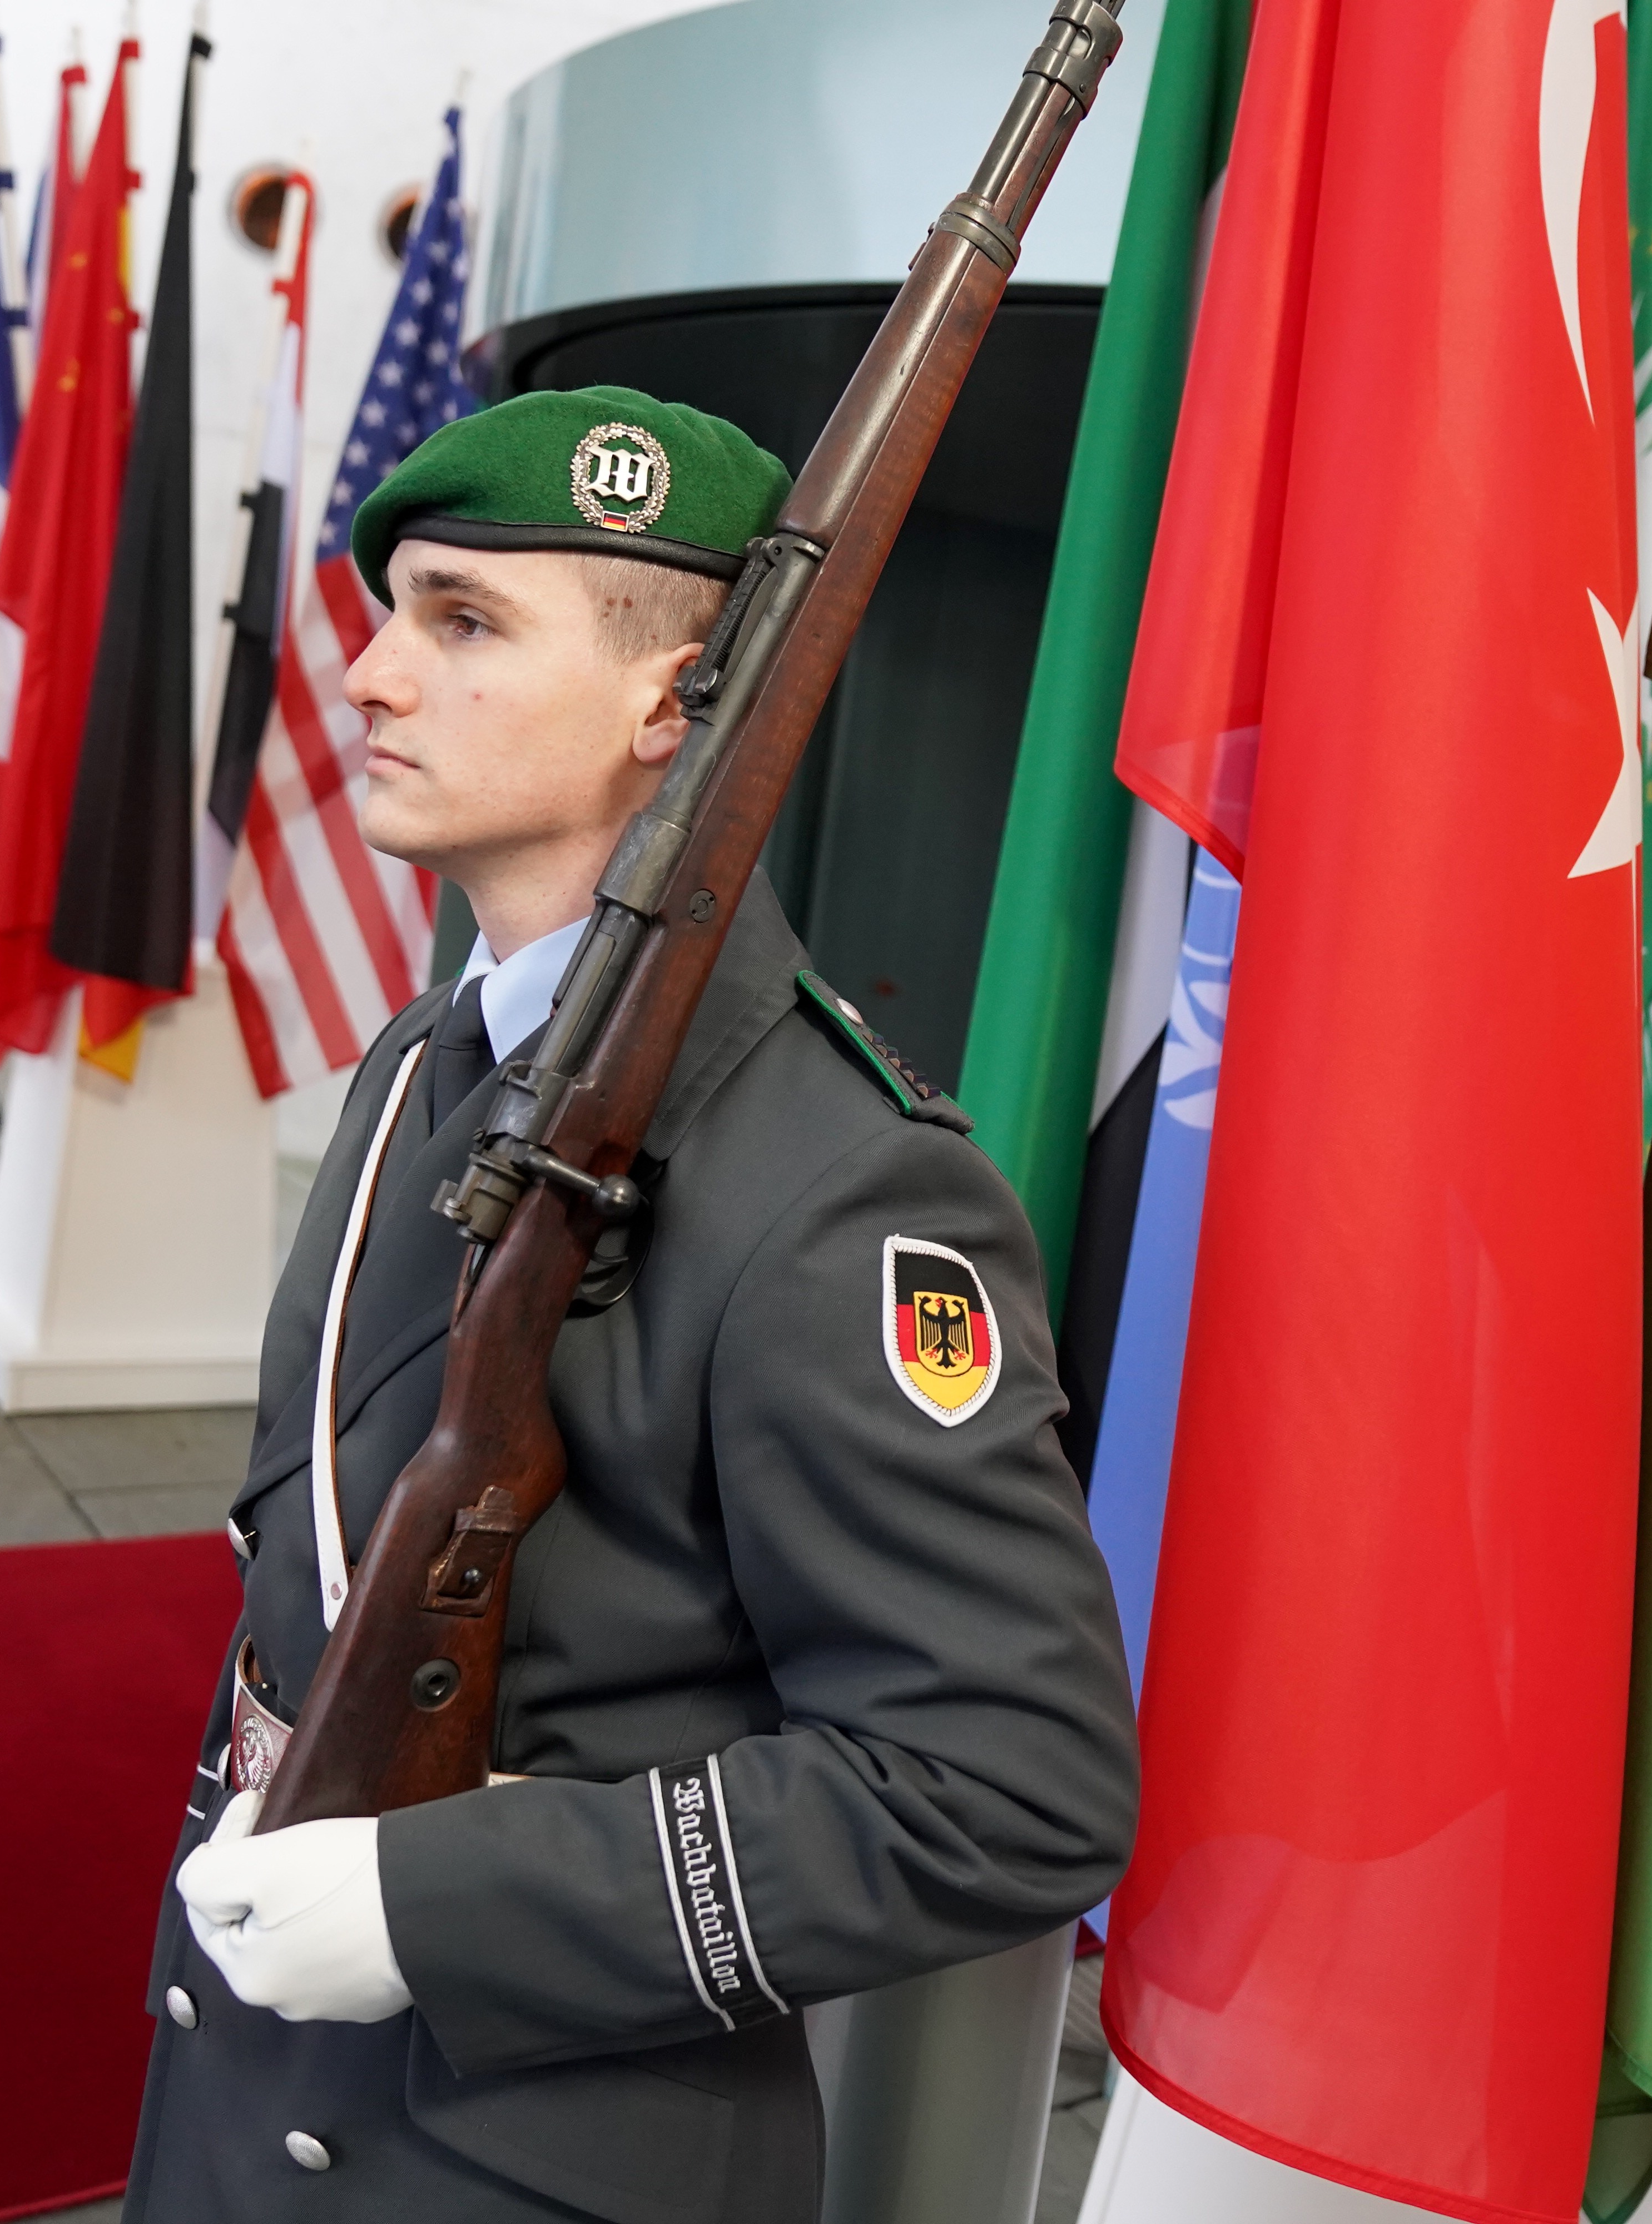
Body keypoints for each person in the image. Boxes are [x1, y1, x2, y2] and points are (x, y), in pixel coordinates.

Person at [122, 388, 1139, 2220]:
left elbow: (1009, 1782)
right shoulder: (425, 1056)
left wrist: (438, 1907)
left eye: (463, 624)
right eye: (393, 613)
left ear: (675, 707)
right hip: (250, 2047)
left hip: (514, 2150)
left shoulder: (840, 1184)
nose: (370, 676)